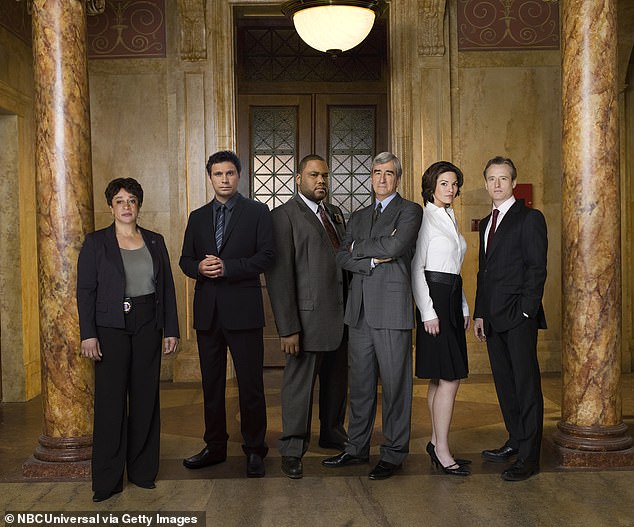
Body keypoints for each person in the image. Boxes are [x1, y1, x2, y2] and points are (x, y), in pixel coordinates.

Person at [77, 178, 180, 502]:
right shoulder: (96, 243)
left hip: (148, 323)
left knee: (146, 397)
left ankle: (142, 471)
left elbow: (166, 289)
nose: (126, 206)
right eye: (119, 200)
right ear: (111, 206)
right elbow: (85, 292)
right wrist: (89, 334)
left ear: (139, 205)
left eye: (132, 200)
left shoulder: (154, 241)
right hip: (110, 327)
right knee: (110, 403)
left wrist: (172, 328)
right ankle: (107, 481)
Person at [323, 151, 423, 480]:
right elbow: (341, 256)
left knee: (395, 386)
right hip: (359, 312)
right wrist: (369, 255)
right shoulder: (359, 215)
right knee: (362, 385)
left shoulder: (410, 211)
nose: (382, 178)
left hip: (392, 310)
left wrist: (361, 248)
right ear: (371, 176)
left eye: (389, 173)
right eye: (377, 172)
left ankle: (393, 453)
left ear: (398, 178)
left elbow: (395, 250)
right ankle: (356, 448)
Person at [179, 150, 275, 478]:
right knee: (212, 385)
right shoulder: (197, 216)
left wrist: (228, 268)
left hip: (244, 313)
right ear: (210, 177)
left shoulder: (258, 212)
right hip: (208, 314)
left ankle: (254, 449)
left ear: (239, 176)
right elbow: (184, 260)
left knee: (250, 385)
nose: (224, 179)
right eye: (218, 174)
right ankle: (215, 446)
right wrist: (198, 268)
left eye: (230, 173)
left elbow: (267, 257)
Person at [265, 154, 348, 479]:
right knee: (298, 385)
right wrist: (288, 328)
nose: (321, 181)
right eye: (314, 175)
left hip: (339, 316)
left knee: (337, 380)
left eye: (325, 176)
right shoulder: (283, 217)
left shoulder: (335, 214)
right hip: (305, 320)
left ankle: (331, 431)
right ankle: (292, 446)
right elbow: (280, 276)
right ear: (298, 178)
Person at [473, 156, 548, 482]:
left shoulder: (530, 218)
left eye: (503, 178)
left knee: (526, 386)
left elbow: (536, 268)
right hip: (492, 318)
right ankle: (516, 439)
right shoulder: (487, 223)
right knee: (505, 385)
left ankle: (529, 458)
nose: (497, 184)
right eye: (492, 179)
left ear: (514, 183)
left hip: (519, 318)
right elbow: (484, 272)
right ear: (486, 183)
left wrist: (527, 311)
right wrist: (479, 312)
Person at [411, 161, 472, 476]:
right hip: (434, 301)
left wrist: (462, 307)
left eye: (454, 184)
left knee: (440, 377)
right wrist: (428, 312)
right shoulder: (424, 219)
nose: (451, 189)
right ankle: (443, 450)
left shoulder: (449, 217)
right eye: (445, 183)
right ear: (432, 186)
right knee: (450, 377)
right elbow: (416, 269)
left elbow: (455, 271)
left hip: (450, 299)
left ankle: (436, 442)